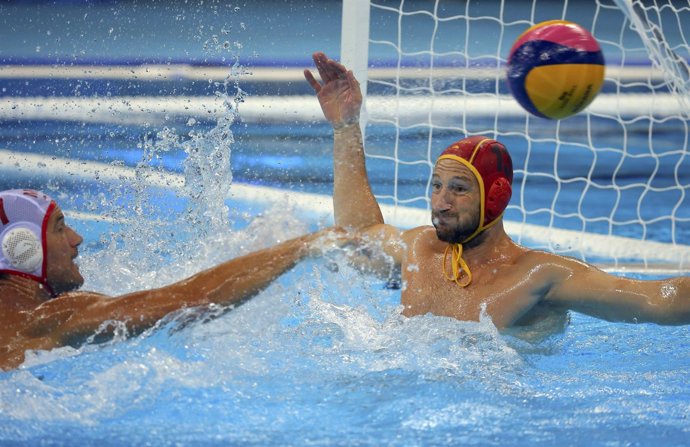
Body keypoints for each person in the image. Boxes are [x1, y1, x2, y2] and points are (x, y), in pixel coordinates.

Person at [304, 51, 690, 331]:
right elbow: (358, 234)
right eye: (436, 186)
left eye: (458, 189)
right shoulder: (420, 248)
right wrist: (346, 127)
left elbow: (658, 300)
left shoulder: (540, 275)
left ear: (495, 198)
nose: (440, 202)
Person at [0, 188, 347, 371]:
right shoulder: (46, 318)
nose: (76, 238)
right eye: (60, 227)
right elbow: (198, 299)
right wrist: (300, 247)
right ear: (21, 248)